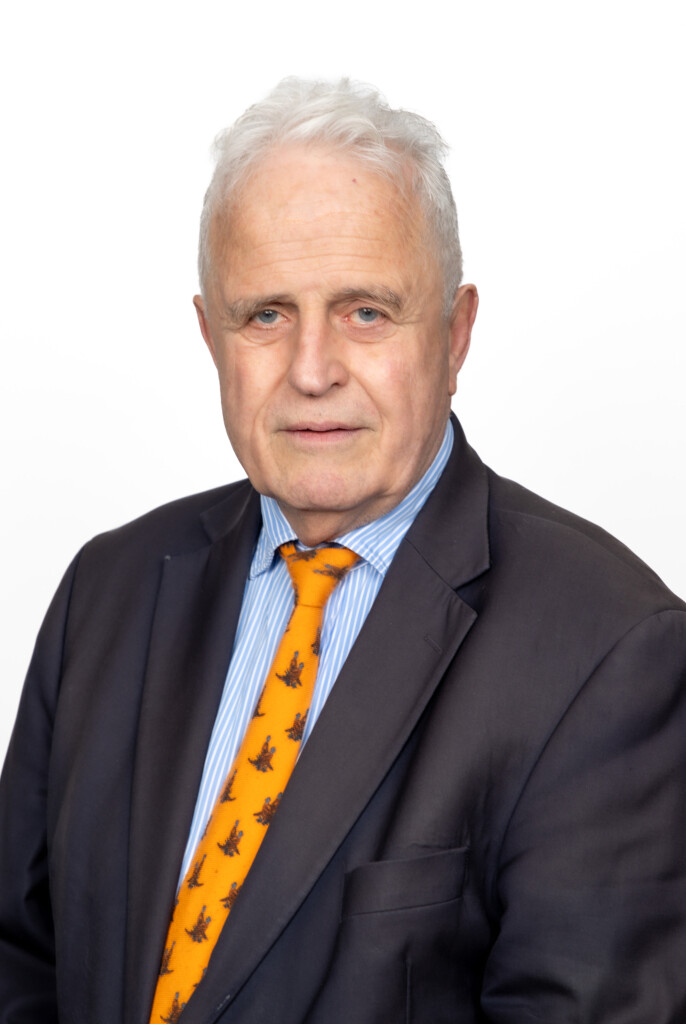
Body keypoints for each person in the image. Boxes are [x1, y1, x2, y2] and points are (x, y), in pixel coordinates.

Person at [1, 77, 685, 1024]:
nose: (312, 370)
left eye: (366, 312)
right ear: (209, 336)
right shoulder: (107, 591)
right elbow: (18, 960)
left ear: (456, 333)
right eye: (266, 315)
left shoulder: (613, 649)